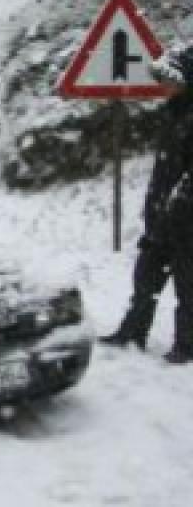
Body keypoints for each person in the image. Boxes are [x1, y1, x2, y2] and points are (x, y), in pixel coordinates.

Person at [100, 43, 193, 364]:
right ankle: (133, 332)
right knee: (146, 278)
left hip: (186, 220)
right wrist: (156, 208)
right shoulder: (174, 111)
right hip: (161, 215)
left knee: (188, 285)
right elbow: (165, 167)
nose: (165, 86)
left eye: (171, 79)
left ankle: (187, 345)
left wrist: (179, 203)